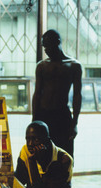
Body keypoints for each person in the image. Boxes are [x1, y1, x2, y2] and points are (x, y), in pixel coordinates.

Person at [32, 29, 82, 159]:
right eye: (44, 46)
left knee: (65, 156)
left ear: (58, 43)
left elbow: (77, 95)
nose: (46, 50)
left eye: (49, 45)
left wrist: (75, 123)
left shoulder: (74, 66)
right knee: (42, 155)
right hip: (43, 115)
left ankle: (65, 180)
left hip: (62, 115)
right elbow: (37, 94)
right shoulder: (42, 66)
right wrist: (34, 120)